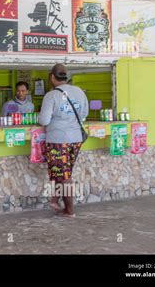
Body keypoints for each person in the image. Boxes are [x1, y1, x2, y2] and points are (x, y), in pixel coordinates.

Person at [38, 64, 88, 218]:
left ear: (52, 77)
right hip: (76, 139)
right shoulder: (79, 91)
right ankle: (56, 201)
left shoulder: (52, 95)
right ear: (66, 76)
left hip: (58, 140)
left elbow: (44, 120)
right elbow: (84, 114)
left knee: (64, 176)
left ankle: (69, 210)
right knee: (64, 173)